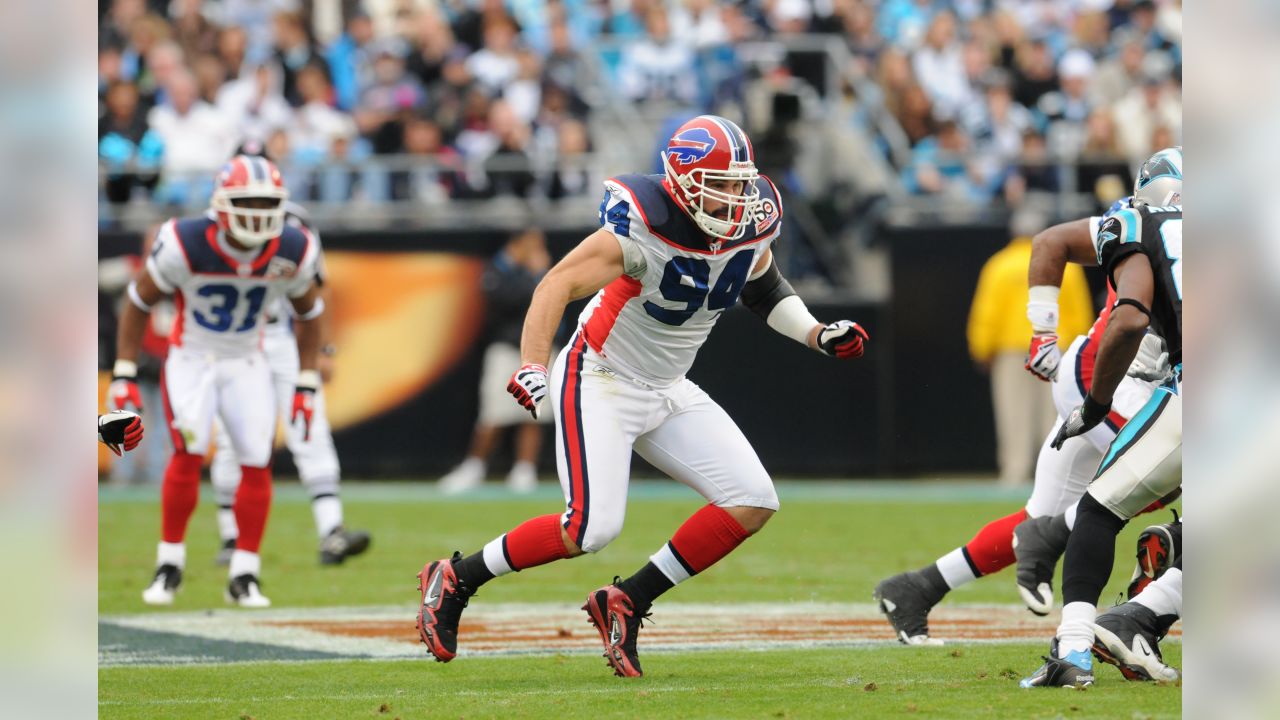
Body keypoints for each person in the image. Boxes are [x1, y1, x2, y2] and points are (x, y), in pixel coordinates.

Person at [414, 115, 870, 677]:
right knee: (590, 529)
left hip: (667, 384)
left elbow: (765, 287)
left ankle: (628, 600)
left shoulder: (751, 222)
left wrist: (816, 333)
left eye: (739, 183)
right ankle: (456, 578)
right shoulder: (642, 225)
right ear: (681, 181)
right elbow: (555, 283)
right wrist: (534, 365)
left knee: (751, 498)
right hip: (600, 376)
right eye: (720, 184)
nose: (734, 197)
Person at [873, 194, 1169, 644]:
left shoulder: (1159, 232)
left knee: (1040, 517)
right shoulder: (1153, 229)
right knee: (1160, 476)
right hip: (1109, 381)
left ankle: (917, 588)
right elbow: (1055, 247)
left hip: (1104, 376)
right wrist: (1043, 330)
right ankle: (1135, 604)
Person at [108, 155, 325, 608]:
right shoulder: (186, 241)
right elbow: (137, 299)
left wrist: (306, 381)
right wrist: (124, 373)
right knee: (188, 454)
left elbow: (310, 313)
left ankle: (245, 572)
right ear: (221, 205)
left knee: (255, 459)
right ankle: (169, 563)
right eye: (245, 201)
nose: (256, 213)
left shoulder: (291, 247)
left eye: (266, 203)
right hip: (193, 357)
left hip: (248, 359)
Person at [1018, 147, 1182, 688]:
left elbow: (1130, 316)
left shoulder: (1136, 219)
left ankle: (1075, 653)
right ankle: (1142, 613)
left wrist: (1094, 404)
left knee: (1099, 508)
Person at [208, 144, 370, 567]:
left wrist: (324, 348)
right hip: (233, 340)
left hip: (280, 338)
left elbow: (317, 287)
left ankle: (330, 529)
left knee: (308, 422)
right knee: (231, 436)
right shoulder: (206, 228)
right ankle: (230, 536)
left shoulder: (294, 224)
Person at [966, 211, 1093, 486]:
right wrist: (1079, 350)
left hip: (1011, 350)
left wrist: (982, 348)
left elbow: (987, 312)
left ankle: (1014, 472)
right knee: (1055, 413)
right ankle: (1053, 475)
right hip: (1056, 347)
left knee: (1013, 414)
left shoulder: (999, 265)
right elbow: (1080, 312)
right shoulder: (1067, 265)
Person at [438, 229, 553, 494]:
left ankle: (525, 470)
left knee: (534, 413)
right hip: (506, 349)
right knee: (494, 414)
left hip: (537, 350)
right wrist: (537, 276)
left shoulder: (540, 271)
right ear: (519, 244)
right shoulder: (498, 271)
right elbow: (506, 301)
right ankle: (474, 466)